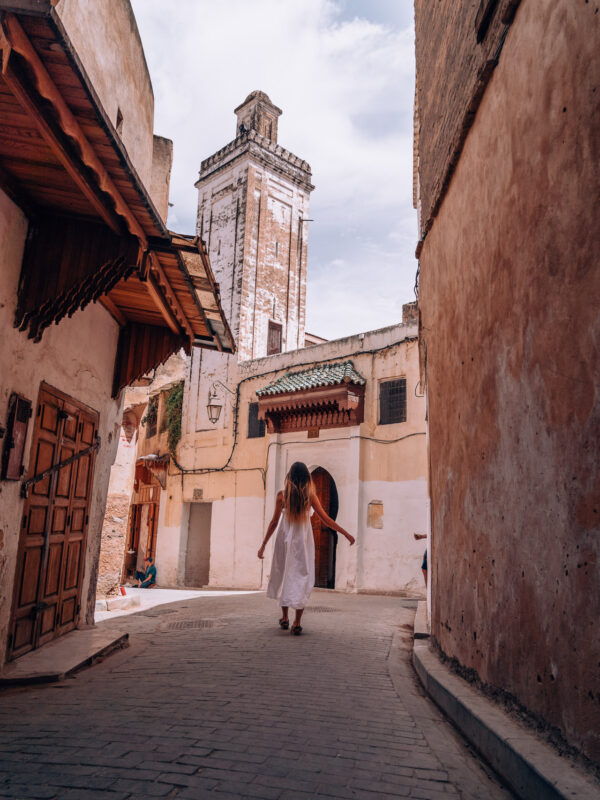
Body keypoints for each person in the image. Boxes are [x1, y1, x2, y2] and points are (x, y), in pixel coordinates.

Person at [258, 462, 355, 635]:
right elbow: (326, 519)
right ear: (306, 477)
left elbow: (274, 523)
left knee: (285, 575)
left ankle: (285, 618)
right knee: (302, 576)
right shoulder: (310, 496)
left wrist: (264, 545)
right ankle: (297, 622)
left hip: (285, 542)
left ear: (290, 476)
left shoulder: (282, 496)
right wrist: (345, 533)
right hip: (302, 542)